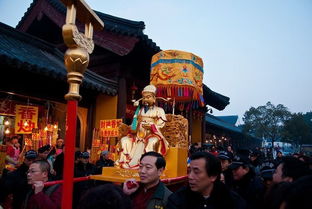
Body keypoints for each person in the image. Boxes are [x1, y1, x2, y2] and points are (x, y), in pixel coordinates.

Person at [167, 152, 246, 209]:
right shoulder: (177, 199)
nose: (190, 176)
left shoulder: (232, 201)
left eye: (196, 172)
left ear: (213, 176)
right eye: (189, 171)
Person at [117, 85, 169, 169]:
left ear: (154, 98)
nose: (146, 100)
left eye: (148, 97)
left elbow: (162, 125)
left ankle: (148, 165)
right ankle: (124, 162)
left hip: (152, 134)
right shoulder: (140, 111)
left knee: (152, 142)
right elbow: (135, 124)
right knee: (124, 140)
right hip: (138, 135)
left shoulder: (159, 110)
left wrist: (152, 126)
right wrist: (131, 127)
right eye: (144, 98)